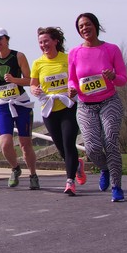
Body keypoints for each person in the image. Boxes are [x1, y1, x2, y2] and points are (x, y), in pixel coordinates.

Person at [68, 12, 127, 202]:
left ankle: (117, 187)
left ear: (95, 25)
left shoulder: (111, 49)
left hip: (109, 101)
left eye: (87, 24)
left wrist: (113, 77)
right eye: (81, 27)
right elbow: (72, 79)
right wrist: (71, 89)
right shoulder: (74, 53)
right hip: (85, 105)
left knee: (110, 141)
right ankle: (105, 168)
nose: (84, 28)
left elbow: (123, 79)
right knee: (92, 148)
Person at [30, 27, 86, 196]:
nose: (43, 45)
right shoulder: (38, 63)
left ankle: (70, 181)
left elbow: (77, 78)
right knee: (61, 147)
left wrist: (74, 89)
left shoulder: (68, 58)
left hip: (68, 106)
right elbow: (33, 84)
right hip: (49, 109)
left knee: (68, 143)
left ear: (55, 41)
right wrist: (34, 90)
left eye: (46, 41)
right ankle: (77, 165)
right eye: (40, 42)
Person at [0, 28, 39, 189]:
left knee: (25, 144)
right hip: (2, 105)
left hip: (21, 104)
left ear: (7, 39)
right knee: (5, 143)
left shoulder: (18, 56)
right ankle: (15, 168)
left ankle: (33, 175)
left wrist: (14, 79)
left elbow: (30, 80)